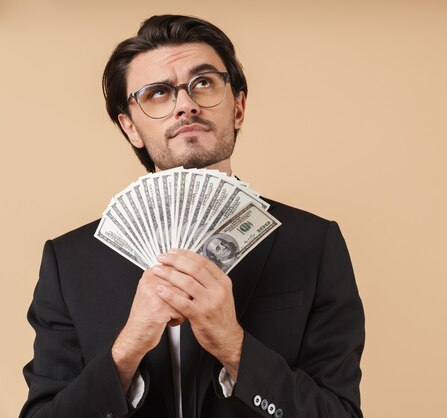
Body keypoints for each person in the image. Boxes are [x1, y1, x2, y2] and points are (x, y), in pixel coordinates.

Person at [21, 14, 365, 418]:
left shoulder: (312, 243)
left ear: (237, 107)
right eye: (158, 93)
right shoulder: (71, 263)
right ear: (130, 128)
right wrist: (130, 346)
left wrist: (233, 345)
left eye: (203, 83)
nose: (185, 104)